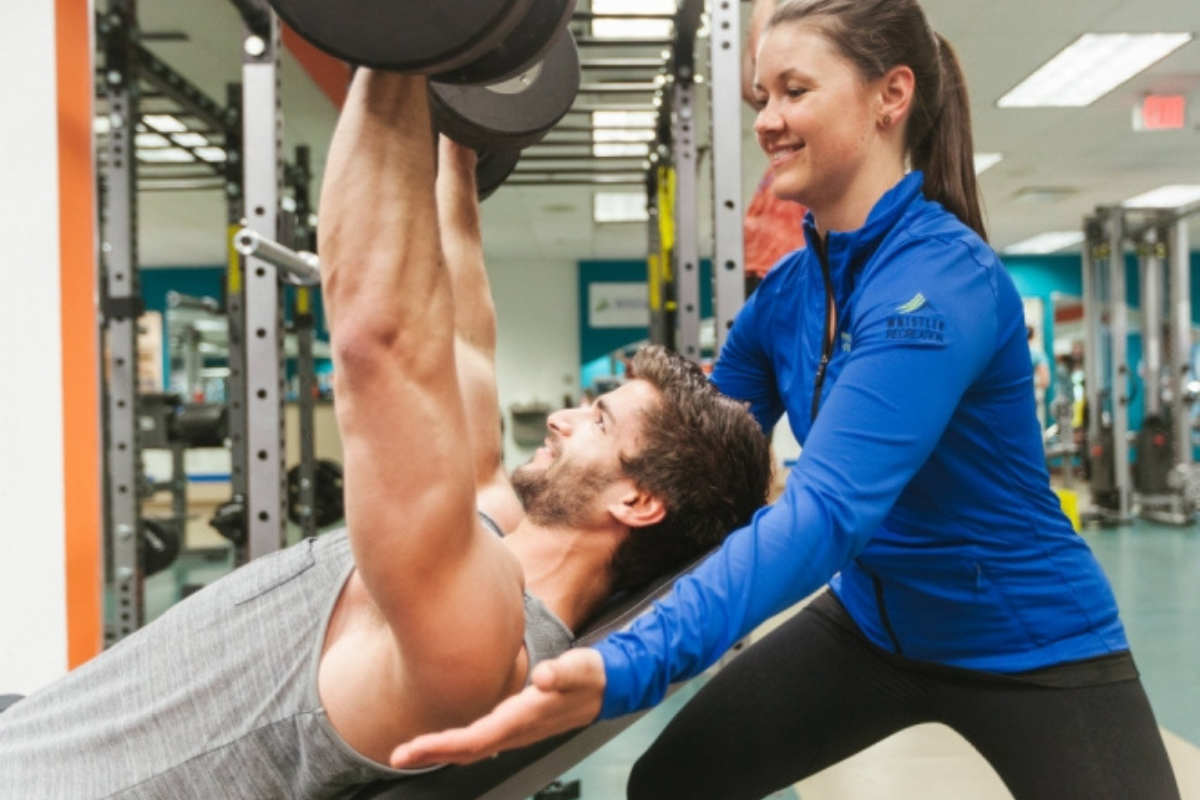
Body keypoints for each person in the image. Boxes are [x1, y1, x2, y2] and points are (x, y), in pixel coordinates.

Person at [391, 2, 1184, 799]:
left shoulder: (939, 286)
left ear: (891, 95)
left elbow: (825, 514)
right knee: (675, 783)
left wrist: (626, 665)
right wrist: (498, 563)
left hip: (1031, 642)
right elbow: (678, 464)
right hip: (874, 627)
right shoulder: (791, 297)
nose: (768, 119)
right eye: (762, 97)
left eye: (794, 90)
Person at [0, 70, 772, 800]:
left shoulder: (476, 639)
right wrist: (459, 153)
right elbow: (465, 341)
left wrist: (395, 53)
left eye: (599, 422)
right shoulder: (492, 538)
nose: (563, 417)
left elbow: (377, 341)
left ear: (638, 500)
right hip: (36, 732)